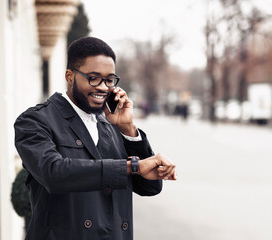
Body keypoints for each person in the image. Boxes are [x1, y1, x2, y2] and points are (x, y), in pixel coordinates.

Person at [14, 36, 176, 240]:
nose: (103, 87)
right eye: (93, 77)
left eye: (109, 79)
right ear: (70, 76)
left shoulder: (113, 123)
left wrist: (128, 129)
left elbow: (149, 187)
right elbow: (53, 173)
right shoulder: (35, 120)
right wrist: (132, 166)